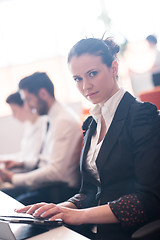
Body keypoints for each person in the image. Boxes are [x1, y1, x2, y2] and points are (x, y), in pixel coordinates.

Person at [15, 38, 160, 240]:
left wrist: (80, 215)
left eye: (92, 73)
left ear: (113, 68)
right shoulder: (93, 122)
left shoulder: (141, 115)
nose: (85, 86)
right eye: (77, 78)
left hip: (122, 231)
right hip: (88, 228)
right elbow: (90, 190)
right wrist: (56, 209)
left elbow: (147, 200)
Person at [0, 72, 82, 205]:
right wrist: (23, 164)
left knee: (6, 206)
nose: (27, 105)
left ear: (43, 94)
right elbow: (45, 160)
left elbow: (57, 172)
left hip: (58, 192)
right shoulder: (52, 118)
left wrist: (14, 178)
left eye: (28, 99)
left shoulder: (63, 121)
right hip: (46, 187)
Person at [0, 91, 46, 173]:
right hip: (25, 170)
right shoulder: (29, 125)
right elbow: (24, 155)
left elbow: (35, 161)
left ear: (26, 105)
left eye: (14, 111)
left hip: (32, 173)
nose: (13, 116)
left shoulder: (43, 125)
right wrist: (4, 159)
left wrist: (19, 164)